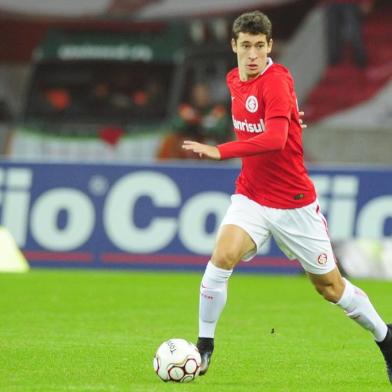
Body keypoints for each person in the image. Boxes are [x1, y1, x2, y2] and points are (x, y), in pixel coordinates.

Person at [182, 10, 391, 382]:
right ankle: (204, 346)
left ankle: (386, 338)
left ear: (270, 47)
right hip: (251, 197)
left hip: (294, 204)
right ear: (234, 46)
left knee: (331, 288)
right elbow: (271, 121)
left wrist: (221, 150)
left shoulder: (276, 80)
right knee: (221, 257)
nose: (252, 55)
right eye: (245, 46)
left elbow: (276, 140)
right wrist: (291, 115)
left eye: (259, 46)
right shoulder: (234, 80)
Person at [157, 82, 231, 160]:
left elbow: (222, 128)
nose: (201, 96)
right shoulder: (187, 109)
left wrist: (199, 122)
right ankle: (163, 165)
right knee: (170, 139)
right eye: (198, 94)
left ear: (209, 95)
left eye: (204, 93)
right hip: (192, 140)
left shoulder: (217, 110)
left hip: (209, 141)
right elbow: (175, 125)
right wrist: (188, 121)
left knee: (212, 144)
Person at [324, 0, 374, 68]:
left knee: (353, 30)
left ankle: (360, 57)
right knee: (332, 31)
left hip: (350, 3)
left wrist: (367, 2)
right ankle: (334, 60)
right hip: (330, 3)